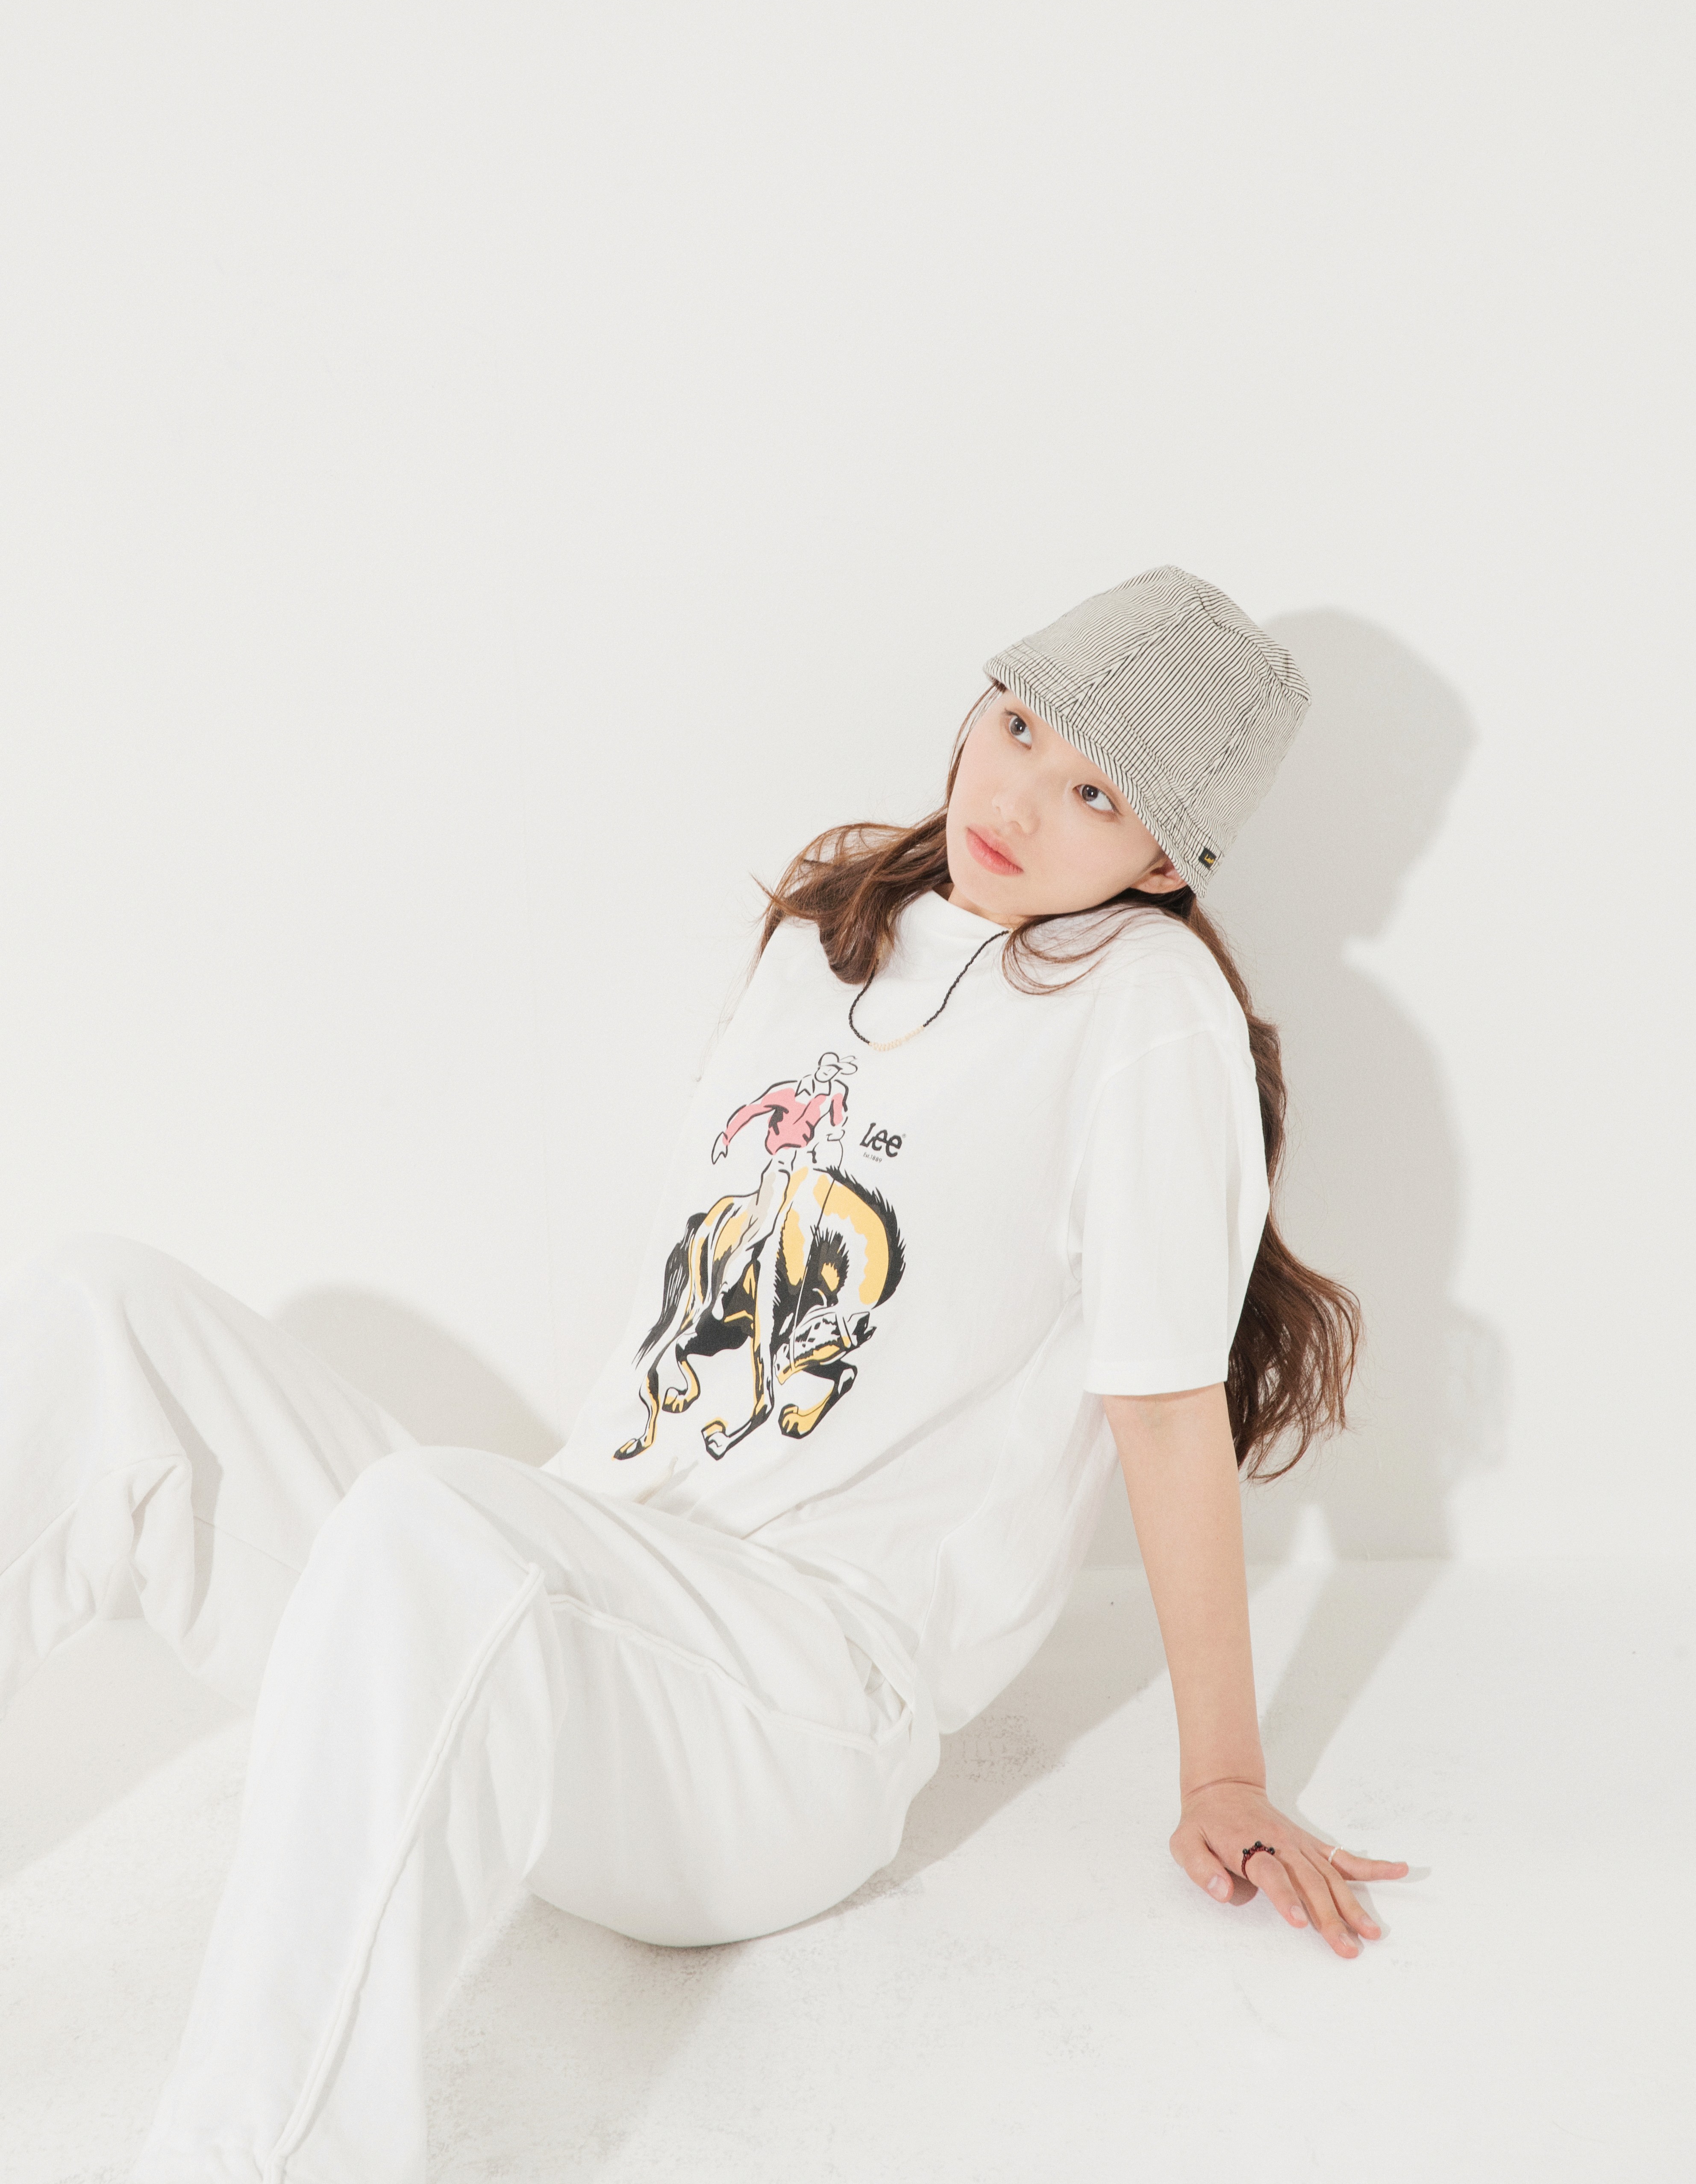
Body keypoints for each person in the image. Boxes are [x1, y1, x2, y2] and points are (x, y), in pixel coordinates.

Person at [0, 563, 1407, 2184]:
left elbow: (1161, 1404)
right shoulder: (835, 939)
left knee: (427, 1521)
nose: (1018, 794)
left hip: (786, 1716)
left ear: (1162, 858)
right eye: (1017, 723)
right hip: (565, 1619)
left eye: (1095, 791)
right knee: (93, 1312)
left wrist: (1221, 1771)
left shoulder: (1143, 1015)